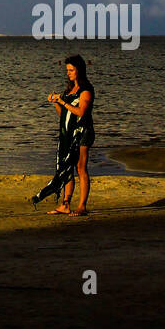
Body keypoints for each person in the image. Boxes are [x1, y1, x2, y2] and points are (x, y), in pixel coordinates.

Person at [32, 54, 95, 215]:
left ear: (79, 70)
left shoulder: (86, 90)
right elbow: (64, 114)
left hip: (82, 133)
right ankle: (65, 203)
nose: (68, 73)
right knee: (67, 168)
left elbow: (81, 112)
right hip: (67, 133)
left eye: (71, 70)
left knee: (81, 168)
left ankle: (82, 206)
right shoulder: (70, 89)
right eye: (67, 70)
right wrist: (56, 103)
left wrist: (63, 102)